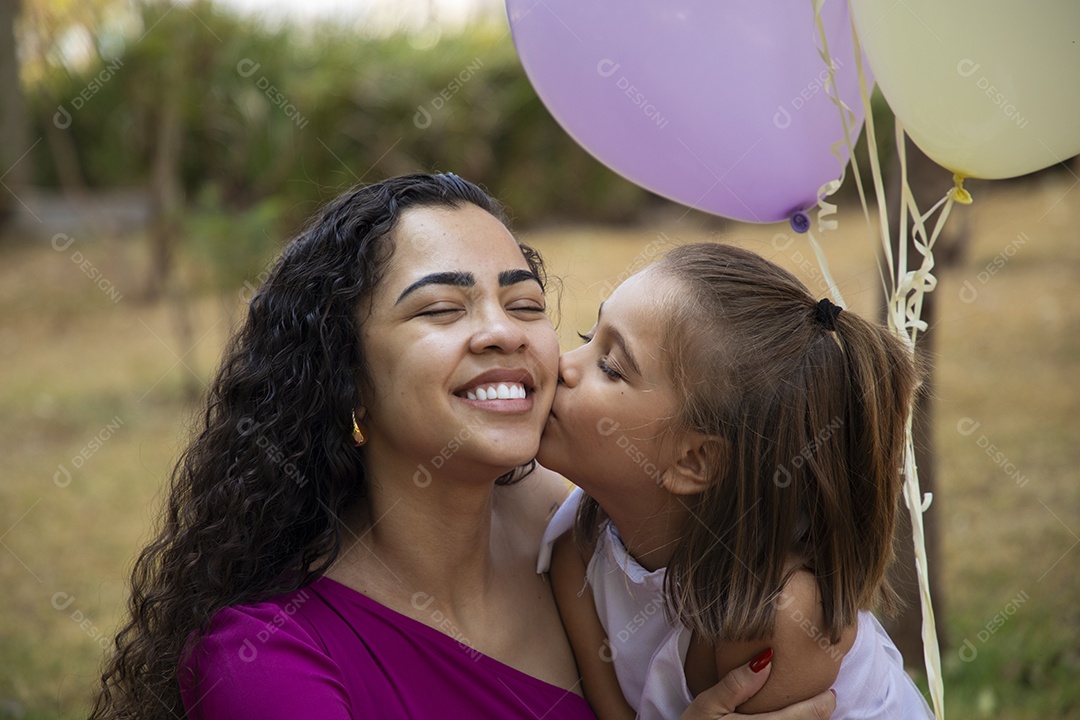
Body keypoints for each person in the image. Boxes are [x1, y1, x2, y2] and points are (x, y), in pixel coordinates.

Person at [88, 175, 835, 719]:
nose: (505, 330)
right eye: (443, 308)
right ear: (346, 377)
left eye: (526, 304)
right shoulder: (267, 660)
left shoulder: (597, 527)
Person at [536, 243, 935, 719]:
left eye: (610, 366)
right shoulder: (576, 548)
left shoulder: (780, 614)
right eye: (587, 334)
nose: (562, 363)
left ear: (695, 461)